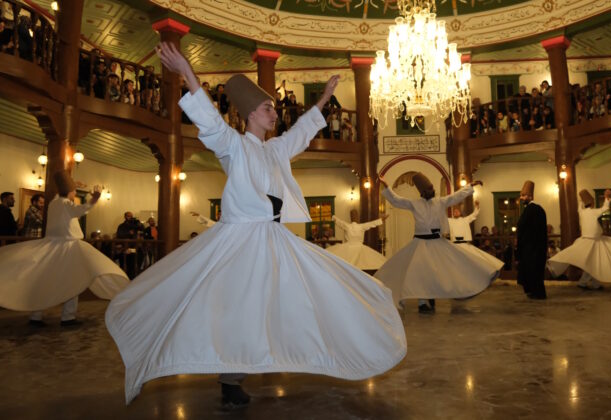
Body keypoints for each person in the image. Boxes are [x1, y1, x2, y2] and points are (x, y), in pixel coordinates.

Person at [105, 42, 406, 407]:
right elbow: (210, 121)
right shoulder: (234, 145)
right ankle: (229, 378)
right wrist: (186, 71)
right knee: (237, 305)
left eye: (274, 108)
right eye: (268, 108)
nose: (274, 113)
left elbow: (301, 132)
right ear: (250, 114)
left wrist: (325, 97)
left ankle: (283, 354)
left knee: (305, 292)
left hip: (273, 237)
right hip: (241, 239)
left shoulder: (275, 149)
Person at [0, 171, 128, 326]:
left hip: (51, 246)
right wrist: (94, 199)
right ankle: (68, 317)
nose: (74, 193)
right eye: (73, 191)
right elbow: (80, 210)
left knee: (45, 281)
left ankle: (36, 316)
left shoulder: (54, 203)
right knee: (73, 281)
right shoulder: (65, 204)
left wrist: (73, 184)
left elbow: (65, 200)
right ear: (69, 192)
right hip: (67, 247)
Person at [374, 173, 493, 313]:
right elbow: (396, 200)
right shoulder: (414, 203)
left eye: (431, 188)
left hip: (437, 241)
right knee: (422, 272)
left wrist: (469, 186)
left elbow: (456, 196)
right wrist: (386, 184)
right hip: (420, 243)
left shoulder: (440, 201)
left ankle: (440, 294)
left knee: (446, 267)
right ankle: (422, 302)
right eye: (428, 189)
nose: (431, 191)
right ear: (422, 192)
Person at [548, 189, 611, 290]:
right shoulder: (593, 212)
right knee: (595, 262)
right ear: (592, 203)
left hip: (585, 241)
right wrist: (607, 197)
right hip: (594, 242)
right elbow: (605, 208)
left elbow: (580, 207)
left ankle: (590, 284)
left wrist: (582, 199)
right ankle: (586, 283)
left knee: (592, 263)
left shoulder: (582, 212)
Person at [448, 201, 504, 279]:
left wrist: (477, 206)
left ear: (460, 212)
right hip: (455, 246)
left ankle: (488, 272)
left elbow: (474, 214)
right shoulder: (450, 221)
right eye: (454, 211)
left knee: (476, 259)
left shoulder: (465, 220)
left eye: (457, 211)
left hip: (465, 245)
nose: (455, 212)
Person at [516, 181, 548, 299]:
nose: (521, 198)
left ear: (530, 196)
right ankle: (533, 291)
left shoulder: (533, 209)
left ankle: (537, 293)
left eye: (523, 196)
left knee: (533, 270)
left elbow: (524, 227)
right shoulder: (536, 209)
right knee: (532, 270)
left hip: (532, 247)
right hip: (534, 247)